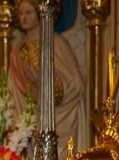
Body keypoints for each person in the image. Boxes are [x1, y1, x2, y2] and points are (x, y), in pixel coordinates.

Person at [9, 0, 88, 150]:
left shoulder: (56, 43)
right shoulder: (17, 52)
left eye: (29, 13)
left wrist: (51, 88)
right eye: (20, 13)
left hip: (59, 119)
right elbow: (14, 92)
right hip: (30, 120)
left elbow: (75, 83)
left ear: (39, 14)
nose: (24, 18)